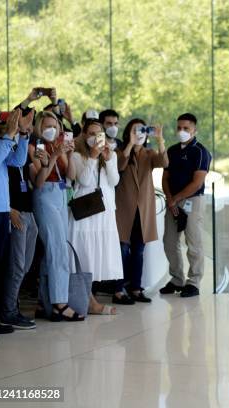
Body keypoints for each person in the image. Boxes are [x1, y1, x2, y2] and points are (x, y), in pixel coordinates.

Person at [29, 110, 83, 322]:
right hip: (45, 196)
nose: (51, 130)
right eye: (46, 126)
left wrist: (67, 155)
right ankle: (60, 303)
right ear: (39, 128)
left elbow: (71, 176)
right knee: (57, 249)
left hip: (61, 195)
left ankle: (44, 301)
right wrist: (52, 157)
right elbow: (39, 181)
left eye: (54, 126)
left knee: (55, 248)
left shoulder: (60, 145)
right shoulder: (35, 147)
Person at [68, 120, 122, 315]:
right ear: (83, 134)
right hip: (84, 212)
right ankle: (89, 302)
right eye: (90, 133)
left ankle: (88, 300)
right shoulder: (76, 155)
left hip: (104, 211)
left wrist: (107, 160)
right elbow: (83, 180)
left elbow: (114, 181)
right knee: (84, 255)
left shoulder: (112, 154)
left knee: (97, 255)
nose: (94, 138)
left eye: (98, 134)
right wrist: (92, 157)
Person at [0, 108, 31, 343]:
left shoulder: (0, 141)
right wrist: (10, 135)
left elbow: (18, 161)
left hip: (0, 210)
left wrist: (23, 135)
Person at [113, 119, 167, 304]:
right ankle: (118, 289)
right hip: (124, 209)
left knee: (138, 251)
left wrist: (160, 140)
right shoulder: (120, 152)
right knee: (122, 250)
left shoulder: (149, 153)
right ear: (128, 133)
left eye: (142, 131)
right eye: (135, 131)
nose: (139, 134)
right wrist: (130, 143)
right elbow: (119, 165)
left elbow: (164, 162)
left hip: (143, 209)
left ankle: (135, 287)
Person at [160, 113, 211, 298]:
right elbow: (165, 177)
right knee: (169, 242)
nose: (181, 131)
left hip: (192, 201)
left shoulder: (200, 152)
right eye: (179, 128)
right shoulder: (172, 151)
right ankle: (176, 279)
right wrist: (170, 198)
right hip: (172, 200)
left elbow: (197, 182)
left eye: (186, 128)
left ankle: (194, 282)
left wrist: (176, 199)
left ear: (194, 130)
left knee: (193, 242)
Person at [0, 116, 40, 330]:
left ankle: (12, 305)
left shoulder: (22, 149)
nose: (27, 128)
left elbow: (36, 178)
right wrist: (9, 210)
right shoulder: (3, 148)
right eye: (22, 125)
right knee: (16, 265)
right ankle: (8, 312)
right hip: (14, 212)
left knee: (24, 265)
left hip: (29, 212)